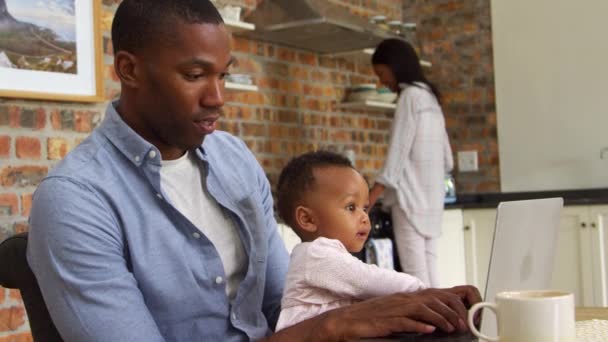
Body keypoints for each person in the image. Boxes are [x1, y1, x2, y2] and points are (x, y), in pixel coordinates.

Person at [26, 1, 479, 341]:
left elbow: (284, 304)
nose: (217, 97)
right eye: (195, 75)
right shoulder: (75, 200)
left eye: (224, 75)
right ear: (130, 70)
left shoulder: (232, 159)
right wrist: (335, 325)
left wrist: (399, 306)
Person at [274, 151, 427, 331]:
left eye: (365, 208)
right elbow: (369, 280)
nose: (364, 217)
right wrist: (423, 290)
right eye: (351, 207)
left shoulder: (326, 256)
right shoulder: (315, 255)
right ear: (308, 219)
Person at [369, 39, 454, 287]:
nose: (382, 82)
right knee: (432, 278)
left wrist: (371, 196)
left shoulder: (409, 97)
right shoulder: (430, 98)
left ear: (396, 67)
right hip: (431, 202)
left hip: (408, 201)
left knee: (415, 279)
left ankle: (427, 326)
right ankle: (446, 324)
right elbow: (447, 158)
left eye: (382, 74)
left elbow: (397, 153)